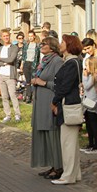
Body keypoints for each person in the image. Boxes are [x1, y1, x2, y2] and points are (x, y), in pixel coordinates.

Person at [49, 35, 84, 185]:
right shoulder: (71, 62)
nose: (60, 44)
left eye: (63, 42)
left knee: (68, 143)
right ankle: (74, 174)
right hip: (68, 102)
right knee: (71, 143)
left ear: (69, 45)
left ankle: (68, 175)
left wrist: (55, 101)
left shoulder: (71, 63)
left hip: (68, 104)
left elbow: (66, 85)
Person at [30, 37, 64, 179]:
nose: (41, 46)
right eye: (41, 44)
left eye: (44, 44)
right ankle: (51, 164)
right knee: (44, 133)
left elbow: (60, 84)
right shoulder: (44, 61)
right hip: (40, 102)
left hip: (50, 101)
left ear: (52, 47)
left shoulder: (57, 61)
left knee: (51, 133)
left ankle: (58, 167)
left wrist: (42, 82)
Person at [0, 29, 21, 122]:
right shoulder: (0, 48)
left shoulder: (14, 47)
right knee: (4, 96)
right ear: (1, 37)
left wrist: (1, 59)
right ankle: (8, 115)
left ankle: (17, 114)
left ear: (9, 36)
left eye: (7, 36)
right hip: (1, 74)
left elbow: (11, 59)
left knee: (13, 94)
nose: (6, 37)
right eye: (4, 36)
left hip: (10, 75)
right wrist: (2, 63)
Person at [82, 56, 97, 153]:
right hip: (87, 101)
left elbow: (86, 86)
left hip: (92, 102)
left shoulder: (93, 76)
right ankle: (91, 142)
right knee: (88, 124)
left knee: (94, 124)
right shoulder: (91, 75)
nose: (85, 68)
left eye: (87, 65)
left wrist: (85, 76)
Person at [21, 30, 40, 103]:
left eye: (31, 36)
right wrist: (22, 65)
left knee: (33, 80)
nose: (30, 38)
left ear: (34, 36)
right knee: (28, 81)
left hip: (34, 64)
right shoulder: (26, 45)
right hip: (26, 63)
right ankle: (29, 96)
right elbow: (24, 55)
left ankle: (34, 96)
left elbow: (38, 56)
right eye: (29, 36)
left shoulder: (37, 45)